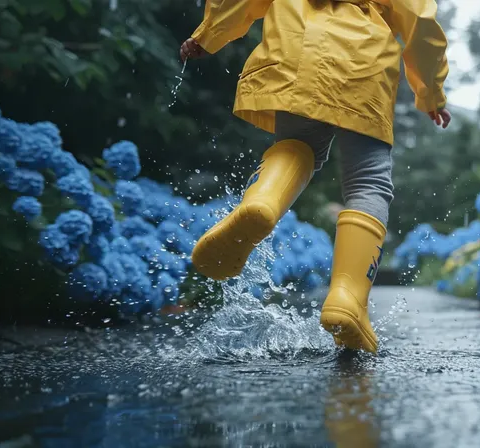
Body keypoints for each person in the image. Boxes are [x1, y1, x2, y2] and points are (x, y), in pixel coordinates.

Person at [182, 0, 451, 353]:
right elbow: (419, 19)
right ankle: (346, 298)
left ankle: (262, 203)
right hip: (363, 63)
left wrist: (209, 33)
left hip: (296, 50)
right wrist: (430, 91)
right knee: (368, 180)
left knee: (296, 146)